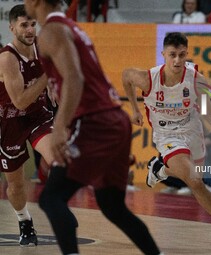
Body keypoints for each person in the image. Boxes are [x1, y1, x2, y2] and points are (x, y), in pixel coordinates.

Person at [23, 1, 162, 255]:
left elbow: (75, 78)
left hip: (94, 122)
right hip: (113, 121)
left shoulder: (52, 31)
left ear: (37, 2)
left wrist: (59, 128)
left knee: (51, 198)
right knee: (111, 206)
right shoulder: (72, 28)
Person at [122, 32, 211, 249]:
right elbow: (126, 75)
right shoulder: (148, 78)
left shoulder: (197, 80)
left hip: (192, 130)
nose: (177, 60)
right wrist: (134, 109)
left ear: (186, 54)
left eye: (182, 55)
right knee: (194, 181)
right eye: (172, 55)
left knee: (195, 181)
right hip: (166, 135)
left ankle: (160, 170)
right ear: (163, 54)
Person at [0, 4, 54, 246]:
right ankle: (24, 220)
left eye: (33, 24)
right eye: (24, 25)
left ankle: (58, 206)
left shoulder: (43, 47)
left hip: (38, 116)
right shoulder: (7, 58)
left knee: (58, 157)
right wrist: (48, 77)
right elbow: (20, 100)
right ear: (12, 28)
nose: (31, 29)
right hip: (10, 120)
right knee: (16, 185)